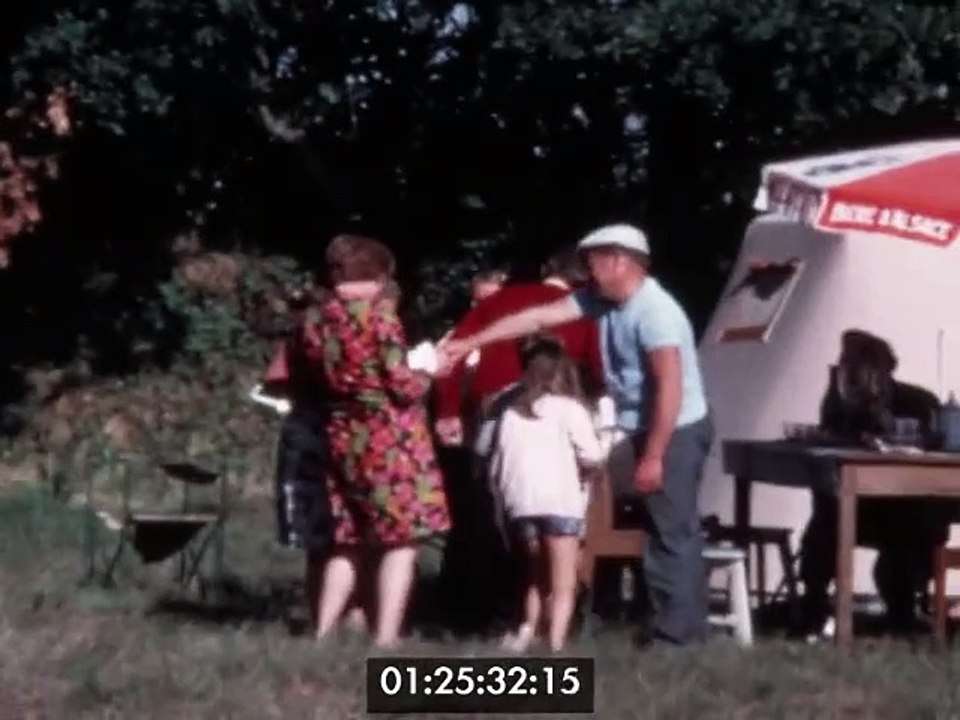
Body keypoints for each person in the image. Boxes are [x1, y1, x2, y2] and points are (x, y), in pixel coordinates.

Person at [440, 224, 713, 646]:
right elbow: (538, 317)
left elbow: (669, 387)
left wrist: (655, 456)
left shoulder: (655, 312)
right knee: (600, 504)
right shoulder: (602, 301)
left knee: (670, 530)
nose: (587, 270)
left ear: (622, 261)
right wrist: (470, 341)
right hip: (634, 424)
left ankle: (679, 639)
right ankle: (591, 609)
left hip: (673, 427)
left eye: (595, 260)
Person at [310, 234, 451, 648]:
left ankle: (321, 632)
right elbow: (401, 383)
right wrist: (430, 372)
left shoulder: (318, 319)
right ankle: (386, 638)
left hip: (341, 432)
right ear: (377, 276)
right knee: (403, 540)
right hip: (389, 437)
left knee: (347, 536)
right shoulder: (379, 316)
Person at [801, 329, 955, 634]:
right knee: (821, 531)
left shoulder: (916, 401)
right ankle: (813, 612)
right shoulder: (842, 402)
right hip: (860, 506)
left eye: (858, 364)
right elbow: (831, 437)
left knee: (907, 541)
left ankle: (901, 614)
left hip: (908, 508)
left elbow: (930, 449)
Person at [491, 335, 604, 652]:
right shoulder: (569, 409)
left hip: (521, 505)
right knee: (563, 582)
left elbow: (498, 462)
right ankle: (555, 644)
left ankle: (528, 630)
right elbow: (593, 457)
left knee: (535, 576)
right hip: (560, 503)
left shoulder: (510, 412)